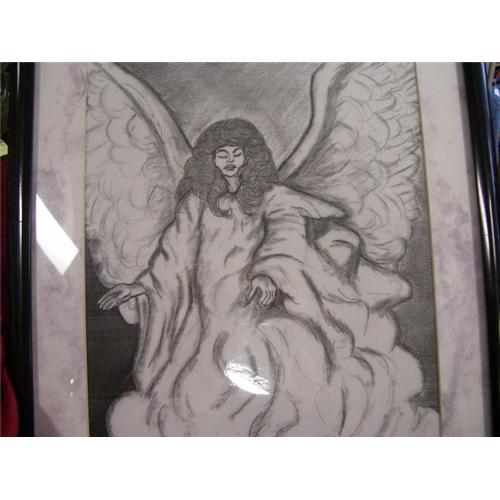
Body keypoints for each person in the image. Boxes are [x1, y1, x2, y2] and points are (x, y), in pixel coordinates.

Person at [99, 119, 437, 436]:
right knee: (195, 389)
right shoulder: (196, 203)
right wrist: (141, 285)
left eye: (236, 152)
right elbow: (175, 253)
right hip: (209, 306)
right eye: (221, 153)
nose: (229, 160)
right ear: (210, 159)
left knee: (270, 365)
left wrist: (267, 274)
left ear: (250, 156)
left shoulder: (271, 197)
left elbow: (284, 236)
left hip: (252, 298)